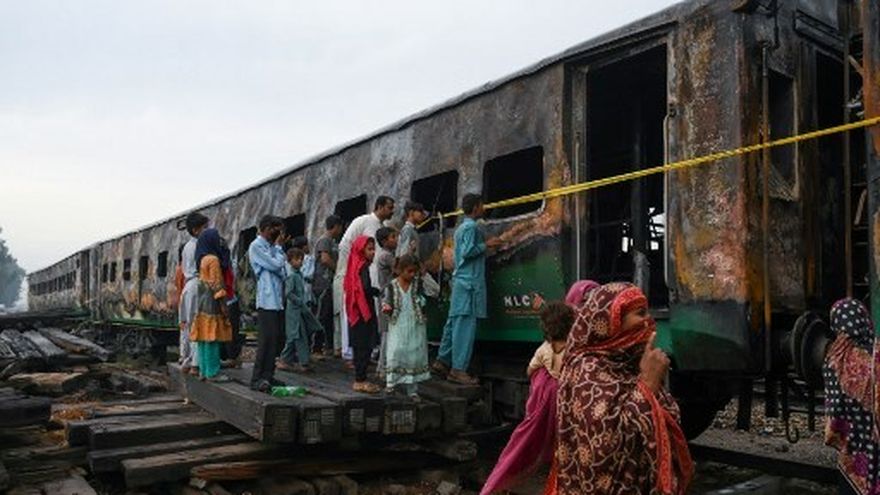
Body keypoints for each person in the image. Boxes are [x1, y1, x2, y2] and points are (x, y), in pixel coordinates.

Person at [554, 282, 693, 495]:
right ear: (613, 321)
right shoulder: (586, 369)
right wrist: (648, 385)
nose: (649, 321)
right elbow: (602, 451)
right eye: (640, 313)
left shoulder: (627, 363)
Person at [482, 300, 576, 495]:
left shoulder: (543, 349)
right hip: (565, 400)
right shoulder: (575, 349)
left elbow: (530, 370)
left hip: (545, 402)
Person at [433, 194, 501, 385]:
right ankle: (458, 370)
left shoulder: (461, 228)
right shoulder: (472, 228)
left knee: (453, 323)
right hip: (469, 284)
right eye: (482, 205)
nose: (484, 208)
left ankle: (442, 361)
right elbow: (468, 252)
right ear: (476, 207)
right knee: (464, 327)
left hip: (460, 283)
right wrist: (486, 244)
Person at [823, 298, 879, 495]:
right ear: (865, 320)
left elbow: (834, 414)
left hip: (853, 448)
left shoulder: (834, 360)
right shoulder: (877, 354)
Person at [333, 196, 396, 361]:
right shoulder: (362, 221)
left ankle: (368, 353)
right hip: (356, 278)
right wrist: (352, 270)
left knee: (371, 317)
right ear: (380, 206)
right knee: (354, 317)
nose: (392, 211)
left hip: (373, 279)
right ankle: (351, 355)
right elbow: (345, 245)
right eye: (389, 207)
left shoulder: (382, 227)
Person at [248, 215, 290, 392]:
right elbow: (276, 265)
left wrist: (277, 254)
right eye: (275, 230)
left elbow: (284, 271)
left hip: (277, 300)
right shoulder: (256, 246)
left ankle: (268, 375)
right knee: (266, 340)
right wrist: (279, 249)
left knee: (276, 339)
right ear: (266, 228)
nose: (278, 234)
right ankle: (257, 378)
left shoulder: (272, 247)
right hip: (267, 301)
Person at [379, 254, 430, 398]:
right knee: (395, 351)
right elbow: (386, 301)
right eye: (409, 271)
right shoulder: (392, 286)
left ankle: (412, 389)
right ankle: (390, 384)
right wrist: (386, 308)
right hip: (398, 324)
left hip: (415, 324)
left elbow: (429, 294)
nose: (412, 275)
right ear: (399, 270)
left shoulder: (418, 285)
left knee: (414, 354)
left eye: (414, 271)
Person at [189, 228, 233, 382]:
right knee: (213, 337)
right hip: (212, 301)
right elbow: (216, 283)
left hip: (202, 301)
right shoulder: (213, 259)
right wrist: (223, 304)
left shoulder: (202, 259)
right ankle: (213, 373)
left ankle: (204, 370)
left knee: (203, 337)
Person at [343, 235, 382, 393]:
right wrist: (376, 291)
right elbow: (365, 288)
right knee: (364, 346)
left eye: (374, 249)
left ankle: (360, 379)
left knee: (359, 347)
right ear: (361, 250)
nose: (373, 252)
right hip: (363, 311)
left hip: (355, 312)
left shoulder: (353, 265)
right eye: (369, 249)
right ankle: (361, 380)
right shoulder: (362, 266)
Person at [278, 248, 323, 373]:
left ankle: (286, 360)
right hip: (294, 311)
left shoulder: (299, 275)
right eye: (297, 259)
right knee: (298, 336)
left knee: (296, 336)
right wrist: (299, 301)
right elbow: (288, 293)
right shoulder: (292, 276)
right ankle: (303, 362)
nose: (300, 262)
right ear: (290, 261)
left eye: (301, 259)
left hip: (299, 310)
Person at [178, 212, 210, 375]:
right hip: (198, 284)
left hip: (188, 286)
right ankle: (195, 363)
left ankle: (187, 359)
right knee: (198, 324)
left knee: (188, 325)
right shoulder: (199, 246)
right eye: (205, 227)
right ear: (196, 230)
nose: (207, 230)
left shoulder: (186, 247)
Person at [396, 200, 440, 298]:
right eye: (420, 211)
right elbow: (404, 255)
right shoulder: (408, 230)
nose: (422, 215)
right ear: (411, 212)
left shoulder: (412, 230)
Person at [313, 215, 343, 357]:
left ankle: (328, 346)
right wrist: (338, 270)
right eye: (340, 227)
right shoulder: (325, 240)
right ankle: (316, 348)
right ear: (335, 226)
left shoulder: (332, 241)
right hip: (323, 283)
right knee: (322, 315)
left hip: (329, 283)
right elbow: (325, 259)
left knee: (328, 315)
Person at [375, 226, 398, 378]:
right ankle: (383, 368)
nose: (396, 240)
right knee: (387, 333)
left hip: (385, 295)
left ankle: (382, 367)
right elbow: (399, 269)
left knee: (386, 332)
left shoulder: (385, 255)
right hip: (387, 296)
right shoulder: (386, 256)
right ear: (384, 241)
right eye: (393, 237)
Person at [291, 236, 315, 309]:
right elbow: (310, 274)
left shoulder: (292, 259)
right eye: (307, 245)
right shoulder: (310, 259)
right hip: (305, 289)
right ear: (304, 247)